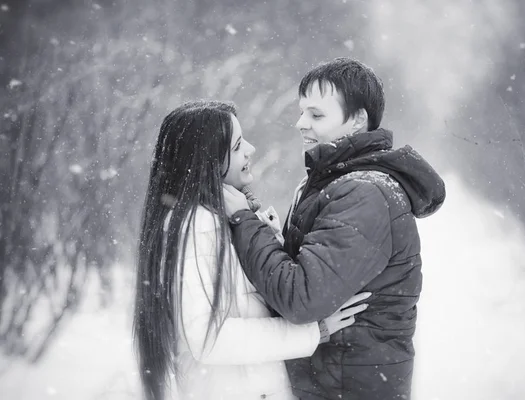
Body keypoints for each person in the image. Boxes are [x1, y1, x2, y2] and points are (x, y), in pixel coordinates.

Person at [223, 58, 446, 400]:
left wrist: (244, 222)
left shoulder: (364, 193)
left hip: (346, 387)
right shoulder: (334, 182)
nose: (300, 123)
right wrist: (273, 238)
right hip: (335, 380)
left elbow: (302, 299)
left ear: (357, 120)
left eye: (316, 115)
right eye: (301, 112)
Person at [132, 100, 371, 400]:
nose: (250, 149)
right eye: (236, 146)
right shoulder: (195, 225)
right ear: (208, 160)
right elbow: (210, 338)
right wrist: (313, 332)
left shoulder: (221, 218)